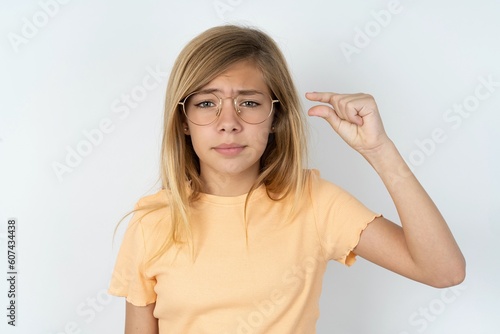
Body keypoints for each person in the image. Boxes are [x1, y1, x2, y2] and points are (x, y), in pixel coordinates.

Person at [108, 25, 465, 334]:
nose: (228, 121)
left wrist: (379, 150)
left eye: (248, 103)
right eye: (206, 103)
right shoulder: (152, 222)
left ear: (275, 117)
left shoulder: (313, 203)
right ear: (182, 120)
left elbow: (443, 271)